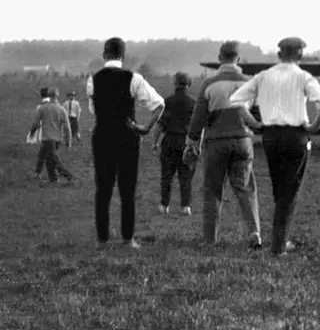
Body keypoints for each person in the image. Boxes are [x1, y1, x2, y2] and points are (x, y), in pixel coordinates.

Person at [228, 36, 320, 255]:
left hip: (270, 137)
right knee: (290, 190)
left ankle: (281, 238)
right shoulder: (303, 77)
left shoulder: (263, 76)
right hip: (296, 136)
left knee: (279, 188)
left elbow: (237, 100)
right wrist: (314, 127)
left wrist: (255, 123)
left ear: (279, 55)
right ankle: (279, 246)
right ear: (300, 55)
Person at [86, 37, 165, 249]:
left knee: (102, 189)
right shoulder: (135, 79)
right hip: (127, 137)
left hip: (102, 136)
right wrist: (146, 128)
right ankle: (128, 239)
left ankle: (102, 239)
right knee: (127, 190)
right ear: (123, 55)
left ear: (104, 55)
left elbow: (94, 111)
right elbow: (159, 105)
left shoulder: (92, 80)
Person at [185, 41, 263, 250]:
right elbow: (257, 116)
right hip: (243, 142)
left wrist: (192, 142)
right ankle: (254, 232)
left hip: (216, 143)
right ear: (238, 59)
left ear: (219, 59)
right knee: (245, 188)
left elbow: (198, 119)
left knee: (212, 190)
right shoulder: (250, 83)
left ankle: (210, 239)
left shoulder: (209, 84)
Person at [152, 72, 197, 216]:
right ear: (189, 84)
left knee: (166, 175)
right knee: (186, 176)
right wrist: (198, 146)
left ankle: (164, 205)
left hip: (169, 141)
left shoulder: (167, 102)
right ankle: (185, 207)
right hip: (187, 142)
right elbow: (199, 127)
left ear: (175, 83)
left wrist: (155, 143)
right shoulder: (193, 103)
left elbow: (159, 126)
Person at [28, 87, 75, 184]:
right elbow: (67, 128)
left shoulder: (42, 108)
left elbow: (35, 124)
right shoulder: (62, 110)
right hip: (57, 139)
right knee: (49, 160)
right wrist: (68, 141)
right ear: (57, 95)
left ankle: (69, 176)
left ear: (48, 95)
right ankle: (53, 180)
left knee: (55, 160)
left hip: (47, 138)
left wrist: (32, 133)